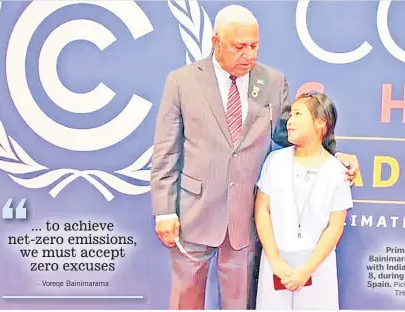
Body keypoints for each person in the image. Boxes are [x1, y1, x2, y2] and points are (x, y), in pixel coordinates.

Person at [150, 5, 358, 310]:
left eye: (254, 46)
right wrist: (165, 211)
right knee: (185, 300)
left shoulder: (273, 82)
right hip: (193, 212)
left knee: (240, 303)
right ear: (216, 42)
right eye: (239, 47)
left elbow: (289, 138)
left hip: (245, 216)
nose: (249, 54)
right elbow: (166, 150)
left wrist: (334, 156)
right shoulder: (182, 81)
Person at [254, 92, 352, 310]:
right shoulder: (275, 161)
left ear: (320, 123)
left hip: (316, 267)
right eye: (290, 115)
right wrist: (275, 260)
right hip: (275, 263)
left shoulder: (337, 172)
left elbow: (335, 227)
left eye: (298, 114)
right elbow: (262, 210)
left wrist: (306, 270)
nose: (290, 121)